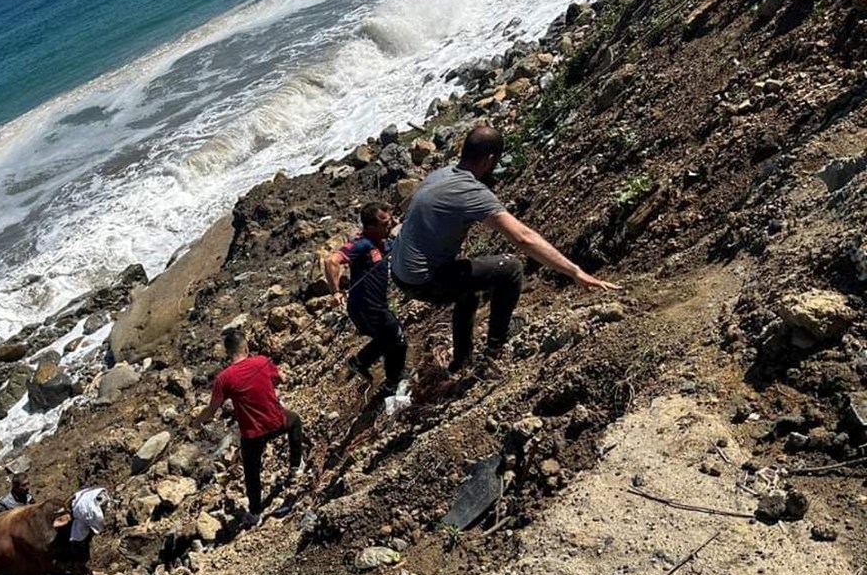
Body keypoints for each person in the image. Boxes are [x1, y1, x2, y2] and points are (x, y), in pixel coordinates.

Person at [391, 125, 619, 373]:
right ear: (489, 160)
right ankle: (495, 347)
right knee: (510, 268)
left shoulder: (440, 175)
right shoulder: (470, 191)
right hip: (424, 281)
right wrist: (575, 272)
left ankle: (462, 359)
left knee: (469, 287)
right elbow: (523, 238)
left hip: (400, 273)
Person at [192, 329, 305, 528]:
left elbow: (212, 410)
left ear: (228, 353)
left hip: (253, 434)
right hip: (276, 422)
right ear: (246, 347)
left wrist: (197, 421)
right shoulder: (262, 361)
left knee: (252, 472)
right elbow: (281, 379)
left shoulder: (223, 379)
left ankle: (254, 512)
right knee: (295, 421)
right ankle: (295, 467)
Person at [323, 201, 407, 395]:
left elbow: (399, 244)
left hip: (374, 306)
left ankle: (359, 362)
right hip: (366, 308)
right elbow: (331, 260)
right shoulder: (361, 244)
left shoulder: (382, 243)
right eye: (384, 222)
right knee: (397, 339)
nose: (390, 224)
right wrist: (335, 291)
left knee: (385, 338)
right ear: (370, 226)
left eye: (390, 220)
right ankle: (393, 383)